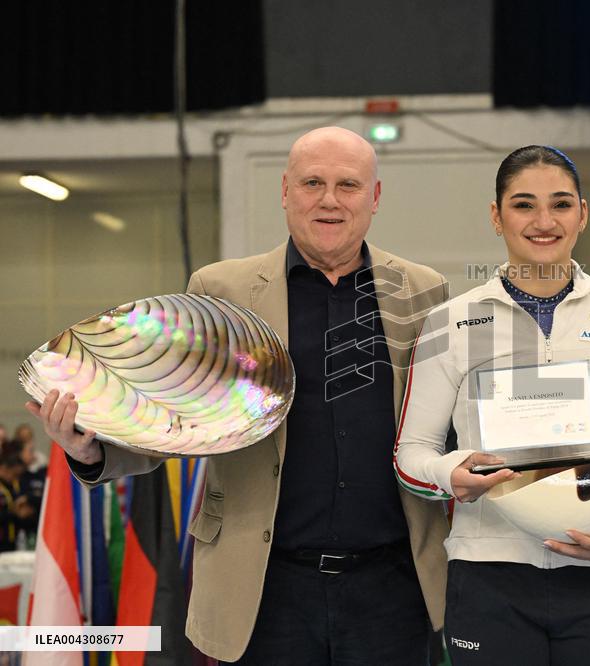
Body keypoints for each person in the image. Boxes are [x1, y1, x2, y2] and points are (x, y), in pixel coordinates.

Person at [26, 127, 451, 664]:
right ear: (285, 190)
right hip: (263, 589)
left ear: (375, 196)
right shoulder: (221, 290)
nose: (329, 200)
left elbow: (442, 423)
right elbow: (176, 420)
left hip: (394, 589)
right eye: (312, 182)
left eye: (348, 185)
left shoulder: (423, 290)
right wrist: (94, 451)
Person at [394, 145, 590, 665]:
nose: (544, 221)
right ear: (496, 215)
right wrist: (451, 471)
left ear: (583, 214)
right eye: (524, 204)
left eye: (561, 204)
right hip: (488, 573)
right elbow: (412, 452)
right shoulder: (449, 323)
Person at [0, 447, 32, 552]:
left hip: (13, 541)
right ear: (3, 469)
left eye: (18, 476)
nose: (16, 478)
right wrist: (14, 513)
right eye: (14, 474)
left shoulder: (13, 486)